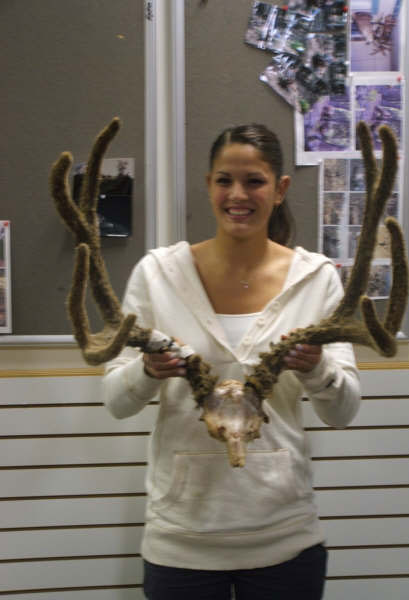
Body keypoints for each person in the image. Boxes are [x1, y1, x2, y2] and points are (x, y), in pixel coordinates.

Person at [102, 123, 361, 599]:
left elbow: (343, 411)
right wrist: (145, 372)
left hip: (285, 538)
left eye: (254, 181)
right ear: (207, 185)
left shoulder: (316, 279)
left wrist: (317, 368)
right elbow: (115, 401)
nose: (237, 195)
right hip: (182, 542)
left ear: (280, 189)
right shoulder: (158, 274)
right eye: (224, 180)